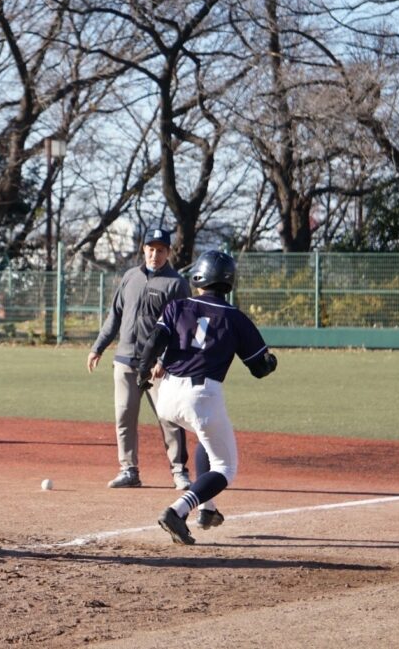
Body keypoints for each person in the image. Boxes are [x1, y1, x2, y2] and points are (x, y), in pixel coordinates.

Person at [135, 250, 278, 545]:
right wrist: (271, 362)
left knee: (206, 437)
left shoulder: (177, 306)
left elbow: (154, 341)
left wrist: (141, 372)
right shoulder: (235, 317)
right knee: (226, 467)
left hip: (168, 394)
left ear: (198, 276)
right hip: (202, 396)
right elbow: (259, 368)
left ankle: (207, 510)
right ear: (229, 281)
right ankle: (178, 510)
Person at [87, 224, 192, 490]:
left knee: (169, 418)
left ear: (168, 252)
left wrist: (164, 361)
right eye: (150, 249)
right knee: (124, 416)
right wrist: (98, 347)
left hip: (158, 366)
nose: (154, 254)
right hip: (124, 360)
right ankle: (128, 470)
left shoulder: (176, 284)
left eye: (160, 250)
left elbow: (182, 329)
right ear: (143, 249)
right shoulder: (130, 277)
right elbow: (115, 315)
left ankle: (179, 471)